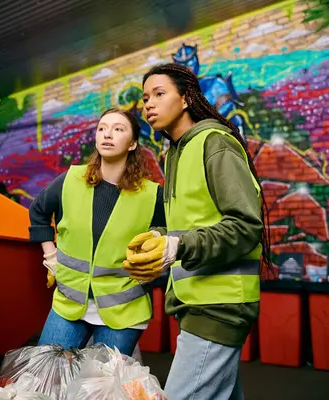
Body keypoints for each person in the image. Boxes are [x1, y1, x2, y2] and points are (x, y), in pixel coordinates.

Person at [124, 63, 272, 400]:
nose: (149, 104)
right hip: (197, 303)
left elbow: (246, 225)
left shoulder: (214, 143)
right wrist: (161, 238)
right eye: (145, 97)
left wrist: (176, 245)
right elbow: (191, 225)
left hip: (219, 305)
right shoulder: (176, 152)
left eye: (159, 94)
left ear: (187, 97)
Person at [28, 108, 165, 356]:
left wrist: (156, 240)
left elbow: (169, 232)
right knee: (44, 381)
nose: (107, 134)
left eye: (118, 129)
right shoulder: (70, 179)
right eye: (102, 128)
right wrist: (51, 257)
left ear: (133, 143)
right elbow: (37, 211)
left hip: (124, 308)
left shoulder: (152, 194)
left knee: (103, 389)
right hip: (69, 303)